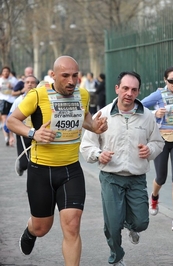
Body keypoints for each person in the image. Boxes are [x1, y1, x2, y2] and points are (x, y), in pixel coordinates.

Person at [6, 56, 108, 265]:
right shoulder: (37, 95)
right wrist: (33, 133)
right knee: (42, 227)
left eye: (75, 75)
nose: (72, 81)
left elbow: (85, 117)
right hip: (40, 171)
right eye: (66, 76)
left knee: (72, 225)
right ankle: (31, 230)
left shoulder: (83, 94)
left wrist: (94, 127)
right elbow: (12, 121)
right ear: (53, 76)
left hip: (71, 170)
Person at [80, 71, 164, 266]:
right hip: (111, 177)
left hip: (136, 177)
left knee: (142, 222)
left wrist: (149, 149)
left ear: (138, 92)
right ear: (117, 89)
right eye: (125, 88)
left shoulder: (147, 116)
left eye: (133, 90)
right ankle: (116, 256)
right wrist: (98, 154)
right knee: (112, 223)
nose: (129, 93)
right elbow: (86, 145)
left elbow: (158, 142)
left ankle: (130, 224)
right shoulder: (103, 114)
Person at [141, 67, 173, 231]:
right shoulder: (159, 95)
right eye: (171, 81)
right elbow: (139, 106)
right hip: (161, 140)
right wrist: (155, 112)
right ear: (165, 80)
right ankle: (154, 197)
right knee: (161, 177)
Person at [7, 75, 39, 176]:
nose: (30, 84)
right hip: (22, 133)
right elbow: (10, 120)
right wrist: (11, 136)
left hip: (37, 133)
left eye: (32, 82)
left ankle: (31, 186)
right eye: (27, 82)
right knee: (25, 164)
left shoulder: (41, 100)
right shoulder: (18, 101)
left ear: (37, 85)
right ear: (24, 85)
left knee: (35, 163)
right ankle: (21, 166)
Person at [0, 66, 18, 146]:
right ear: (2, 72)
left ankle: (11, 136)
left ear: (9, 72)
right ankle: (6, 137)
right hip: (3, 100)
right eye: (4, 71)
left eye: (7, 71)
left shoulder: (13, 80)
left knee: (10, 119)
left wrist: (12, 87)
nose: (5, 73)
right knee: (4, 119)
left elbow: (18, 88)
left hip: (11, 101)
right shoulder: (0, 80)